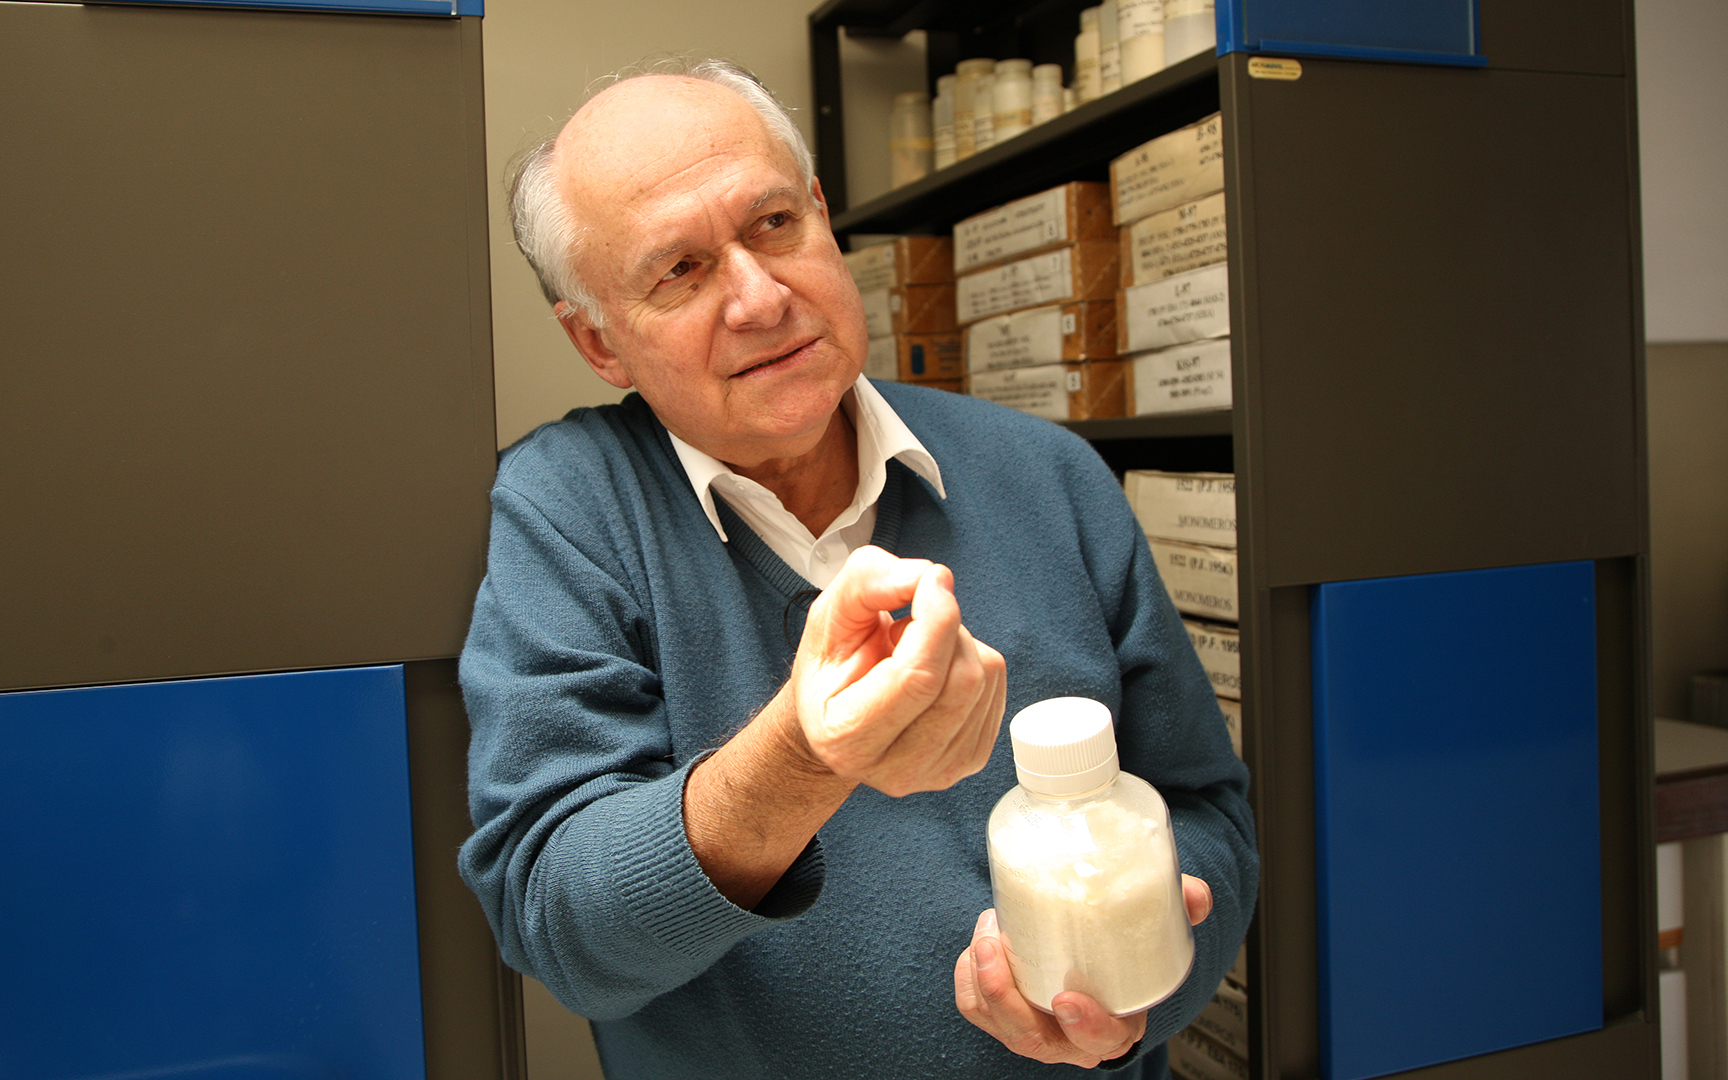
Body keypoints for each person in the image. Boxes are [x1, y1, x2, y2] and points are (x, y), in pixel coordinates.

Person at [457, 57, 1256, 1079]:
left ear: (824, 217)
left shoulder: (1046, 472)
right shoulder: (566, 509)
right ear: (599, 342)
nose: (757, 296)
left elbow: (1204, 815)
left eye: (774, 225)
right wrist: (805, 754)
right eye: (681, 271)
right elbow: (561, 925)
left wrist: (1140, 987)